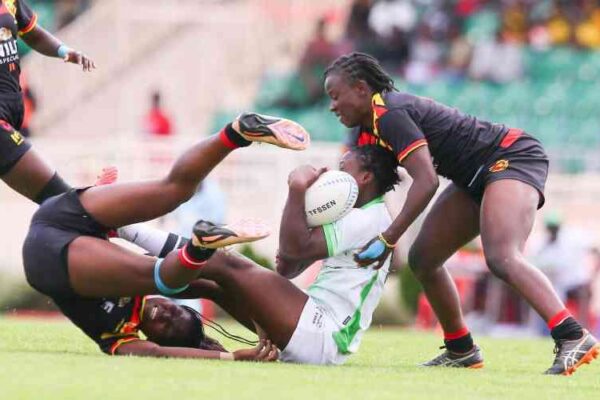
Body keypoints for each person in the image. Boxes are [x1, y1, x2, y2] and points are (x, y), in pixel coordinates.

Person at [322, 52, 599, 375]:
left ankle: (572, 335)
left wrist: (389, 238)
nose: (332, 106)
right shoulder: (366, 129)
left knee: (501, 256)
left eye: (335, 96)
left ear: (360, 89)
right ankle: (461, 349)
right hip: (472, 177)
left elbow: (426, 181)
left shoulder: (389, 114)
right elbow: (365, 183)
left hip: (510, 156)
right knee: (423, 259)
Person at [22, 112, 308, 359]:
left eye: (167, 328)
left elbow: (157, 353)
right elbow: (216, 288)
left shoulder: (119, 336)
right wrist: (263, 327)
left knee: (166, 267)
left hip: (46, 257)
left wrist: (231, 357)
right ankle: (237, 133)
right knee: (173, 194)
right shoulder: (146, 286)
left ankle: (199, 246)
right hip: (69, 217)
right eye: (176, 312)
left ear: (154, 337)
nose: (166, 314)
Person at [115, 144, 401, 365]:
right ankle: (118, 290)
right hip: (313, 329)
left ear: (365, 177)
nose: (333, 174)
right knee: (212, 285)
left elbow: (293, 249)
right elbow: (287, 267)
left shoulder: (368, 219)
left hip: (321, 333)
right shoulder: (359, 216)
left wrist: (297, 187)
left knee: (225, 263)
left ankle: (121, 230)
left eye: (343, 168)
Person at [1, 0, 95, 204]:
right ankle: (103, 208)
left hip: (12, 110)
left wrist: (63, 51)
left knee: (60, 204)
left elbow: (32, 32)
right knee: (64, 201)